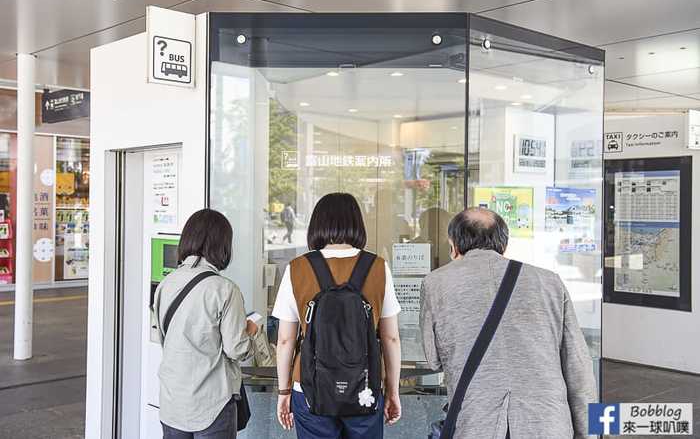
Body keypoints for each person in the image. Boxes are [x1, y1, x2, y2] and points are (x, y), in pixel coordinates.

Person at [420, 207, 597, 439]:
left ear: (453, 245)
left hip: (476, 423)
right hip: (547, 423)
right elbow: (579, 368)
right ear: (503, 244)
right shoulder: (549, 282)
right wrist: (590, 433)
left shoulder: (436, 283)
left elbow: (433, 359)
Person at [273, 192, 403, 439]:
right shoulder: (377, 267)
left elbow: (285, 341)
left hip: (309, 386)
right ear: (357, 224)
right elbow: (391, 339)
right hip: (364, 386)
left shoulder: (297, 268)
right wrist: (392, 391)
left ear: (317, 224)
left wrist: (283, 391)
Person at [152, 209, 258, 439]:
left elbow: (162, 337)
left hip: (172, 401)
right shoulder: (224, 289)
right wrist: (250, 331)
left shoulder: (166, 283)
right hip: (212, 404)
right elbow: (237, 350)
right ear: (222, 244)